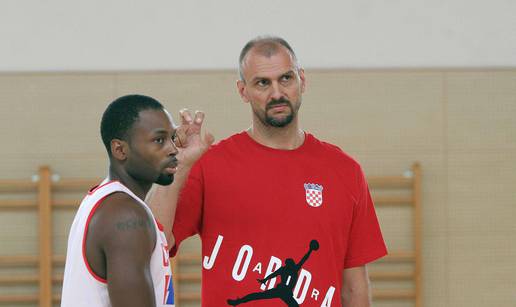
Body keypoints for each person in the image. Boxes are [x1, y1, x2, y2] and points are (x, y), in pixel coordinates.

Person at [150, 36, 387, 307]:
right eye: (263, 83)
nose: (277, 93)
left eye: (286, 79)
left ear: (302, 81)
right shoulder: (210, 164)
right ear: (243, 91)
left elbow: (355, 288)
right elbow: (152, 242)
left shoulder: (345, 171)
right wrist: (176, 169)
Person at [61, 94, 212, 307]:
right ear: (120, 150)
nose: (172, 149)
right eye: (159, 140)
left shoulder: (110, 201)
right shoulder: (125, 214)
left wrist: (183, 163)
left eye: (172, 138)